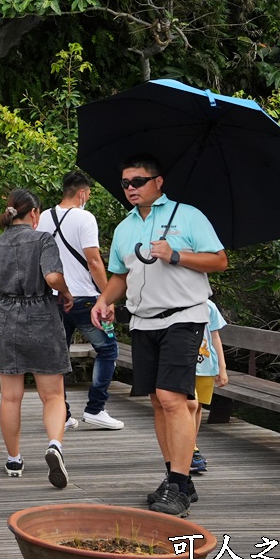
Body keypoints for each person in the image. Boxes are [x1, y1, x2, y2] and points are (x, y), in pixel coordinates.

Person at [92, 153, 228, 518]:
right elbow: (120, 275)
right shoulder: (124, 228)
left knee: (172, 397)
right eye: (125, 183)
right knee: (157, 400)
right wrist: (104, 301)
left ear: (158, 182)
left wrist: (177, 255)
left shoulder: (188, 216)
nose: (131, 189)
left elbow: (219, 260)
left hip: (184, 317)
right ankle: (176, 478)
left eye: (138, 181)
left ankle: (180, 487)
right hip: (143, 321)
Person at [0, 189, 74, 488]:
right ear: (34, 213)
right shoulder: (43, 239)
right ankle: (54, 444)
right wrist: (66, 293)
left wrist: (5, 293)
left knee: (10, 397)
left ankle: (14, 459)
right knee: (52, 395)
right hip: (42, 315)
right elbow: (53, 278)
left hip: (8, 319)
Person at [36, 170, 124, 431]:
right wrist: (107, 296)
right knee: (108, 350)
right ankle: (96, 408)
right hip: (85, 299)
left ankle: (61, 413)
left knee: (57, 357)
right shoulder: (85, 218)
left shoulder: (42, 218)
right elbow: (94, 261)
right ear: (83, 193)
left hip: (53, 298)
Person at [187, 299, 229, 476]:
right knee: (190, 405)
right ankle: (189, 449)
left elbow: (215, 336)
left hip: (206, 366)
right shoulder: (176, 303)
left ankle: (191, 446)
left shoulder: (209, 306)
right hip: (186, 365)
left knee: (198, 408)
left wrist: (222, 367)